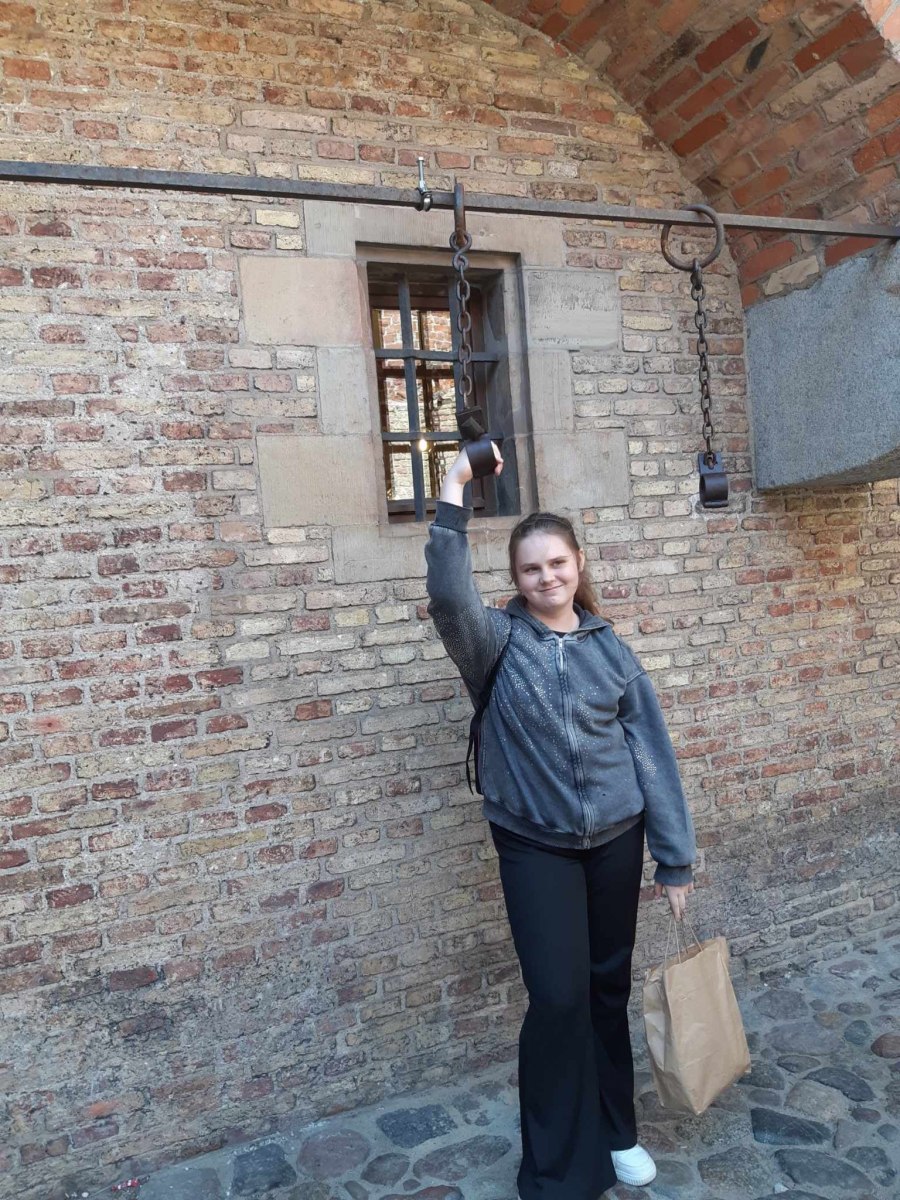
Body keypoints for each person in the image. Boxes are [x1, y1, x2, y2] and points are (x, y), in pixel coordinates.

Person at [423, 442, 697, 1200]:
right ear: (515, 580)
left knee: (607, 991)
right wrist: (454, 490)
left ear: (578, 564)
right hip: (534, 845)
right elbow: (447, 598)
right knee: (558, 1000)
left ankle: (617, 1131)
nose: (546, 577)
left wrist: (674, 859)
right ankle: (553, 1171)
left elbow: (651, 758)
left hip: (617, 841)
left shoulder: (612, 652)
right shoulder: (494, 643)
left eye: (557, 563)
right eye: (530, 569)